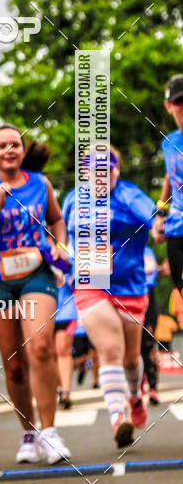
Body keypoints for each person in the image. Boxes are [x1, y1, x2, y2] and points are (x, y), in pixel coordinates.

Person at [0, 124, 71, 465]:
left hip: (36, 275)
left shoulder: (41, 185)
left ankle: (50, 433)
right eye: (2, 145)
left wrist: (60, 246)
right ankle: (28, 434)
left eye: (15, 144)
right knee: (14, 367)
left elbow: (56, 220)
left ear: (22, 152)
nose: (9, 149)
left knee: (40, 347)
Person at [63, 147, 154, 448]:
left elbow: (156, 218)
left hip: (129, 285)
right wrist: (62, 260)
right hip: (90, 283)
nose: (100, 175)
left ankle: (134, 397)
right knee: (110, 349)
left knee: (131, 357)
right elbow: (63, 237)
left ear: (116, 170)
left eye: (107, 169)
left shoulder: (130, 196)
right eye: (93, 169)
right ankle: (118, 417)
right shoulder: (74, 199)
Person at [152, 75, 183, 292]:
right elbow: (170, 176)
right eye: (178, 102)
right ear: (168, 106)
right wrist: (160, 214)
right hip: (176, 231)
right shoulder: (169, 143)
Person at [54, 270, 78, 410]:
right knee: (49, 353)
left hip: (67, 310)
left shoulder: (72, 250)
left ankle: (65, 392)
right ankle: (58, 389)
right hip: (44, 308)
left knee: (62, 349)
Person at [141, 247, 160, 404]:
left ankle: (153, 388)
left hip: (147, 298)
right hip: (125, 297)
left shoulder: (147, 250)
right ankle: (138, 386)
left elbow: (150, 267)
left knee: (148, 345)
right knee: (133, 349)